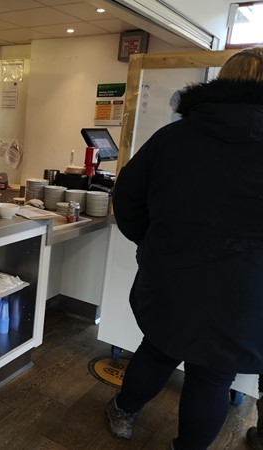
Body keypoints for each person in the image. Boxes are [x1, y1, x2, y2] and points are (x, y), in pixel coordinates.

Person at [108, 47, 263, 450]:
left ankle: (123, 412)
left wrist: (154, 242)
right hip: (247, 292)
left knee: (158, 349)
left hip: (175, 275)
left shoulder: (174, 136)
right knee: (213, 375)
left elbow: (126, 198)